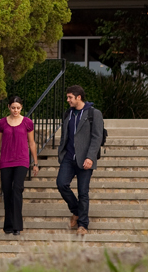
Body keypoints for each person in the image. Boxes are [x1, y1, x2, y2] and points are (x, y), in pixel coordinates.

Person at [0, 96, 38, 236]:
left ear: (21, 108)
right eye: (13, 107)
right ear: (9, 107)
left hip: (22, 160)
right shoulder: (2, 123)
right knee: (7, 192)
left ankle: (17, 225)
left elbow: (32, 143)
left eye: (18, 108)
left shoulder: (27, 122)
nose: (16, 110)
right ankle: (8, 225)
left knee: (17, 189)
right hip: (5, 161)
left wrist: (35, 162)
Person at [57, 85, 103, 236]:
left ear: (79, 97)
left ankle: (83, 225)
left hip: (85, 159)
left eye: (70, 97)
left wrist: (90, 157)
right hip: (69, 158)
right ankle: (76, 211)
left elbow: (97, 137)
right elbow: (65, 135)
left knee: (83, 192)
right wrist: (61, 153)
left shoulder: (93, 113)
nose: (68, 100)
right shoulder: (68, 114)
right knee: (61, 184)